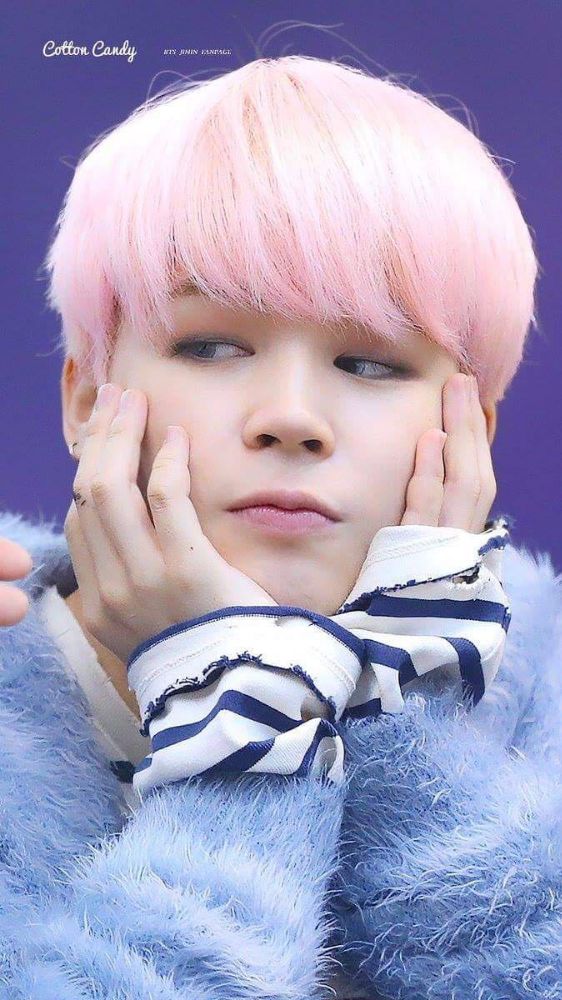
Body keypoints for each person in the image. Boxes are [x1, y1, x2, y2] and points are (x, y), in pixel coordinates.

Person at [1, 54, 560, 999]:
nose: (291, 416)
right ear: (87, 401)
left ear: (473, 431)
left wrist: (405, 715)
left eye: (370, 363)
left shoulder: (544, 669)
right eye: (211, 345)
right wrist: (240, 718)